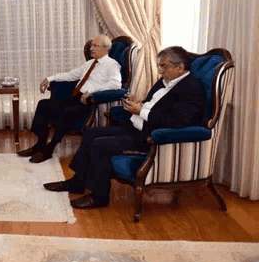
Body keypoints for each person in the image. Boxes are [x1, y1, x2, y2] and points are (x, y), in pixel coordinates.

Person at [43, 46, 206, 209]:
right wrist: (140, 103)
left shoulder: (191, 88)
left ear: (180, 67)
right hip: (137, 126)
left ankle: (99, 198)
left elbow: (178, 120)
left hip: (151, 136)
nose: (160, 70)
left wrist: (141, 111)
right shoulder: (166, 81)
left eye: (164, 66)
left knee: (99, 145)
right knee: (91, 133)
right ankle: (77, 183)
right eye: (160, 65)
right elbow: (155, 105)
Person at [17, 34, 122, 163]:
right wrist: (49, 79)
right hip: (75, 97)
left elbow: (116, 84)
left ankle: (50, 148)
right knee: (43, 105)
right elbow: (71, 75)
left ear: (106, 48)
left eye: (95, 45)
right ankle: (40, 144)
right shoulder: (90, 63)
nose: (91, 49)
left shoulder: (112, 65)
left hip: (89, 101)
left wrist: (92, 92)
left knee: (66, 112)